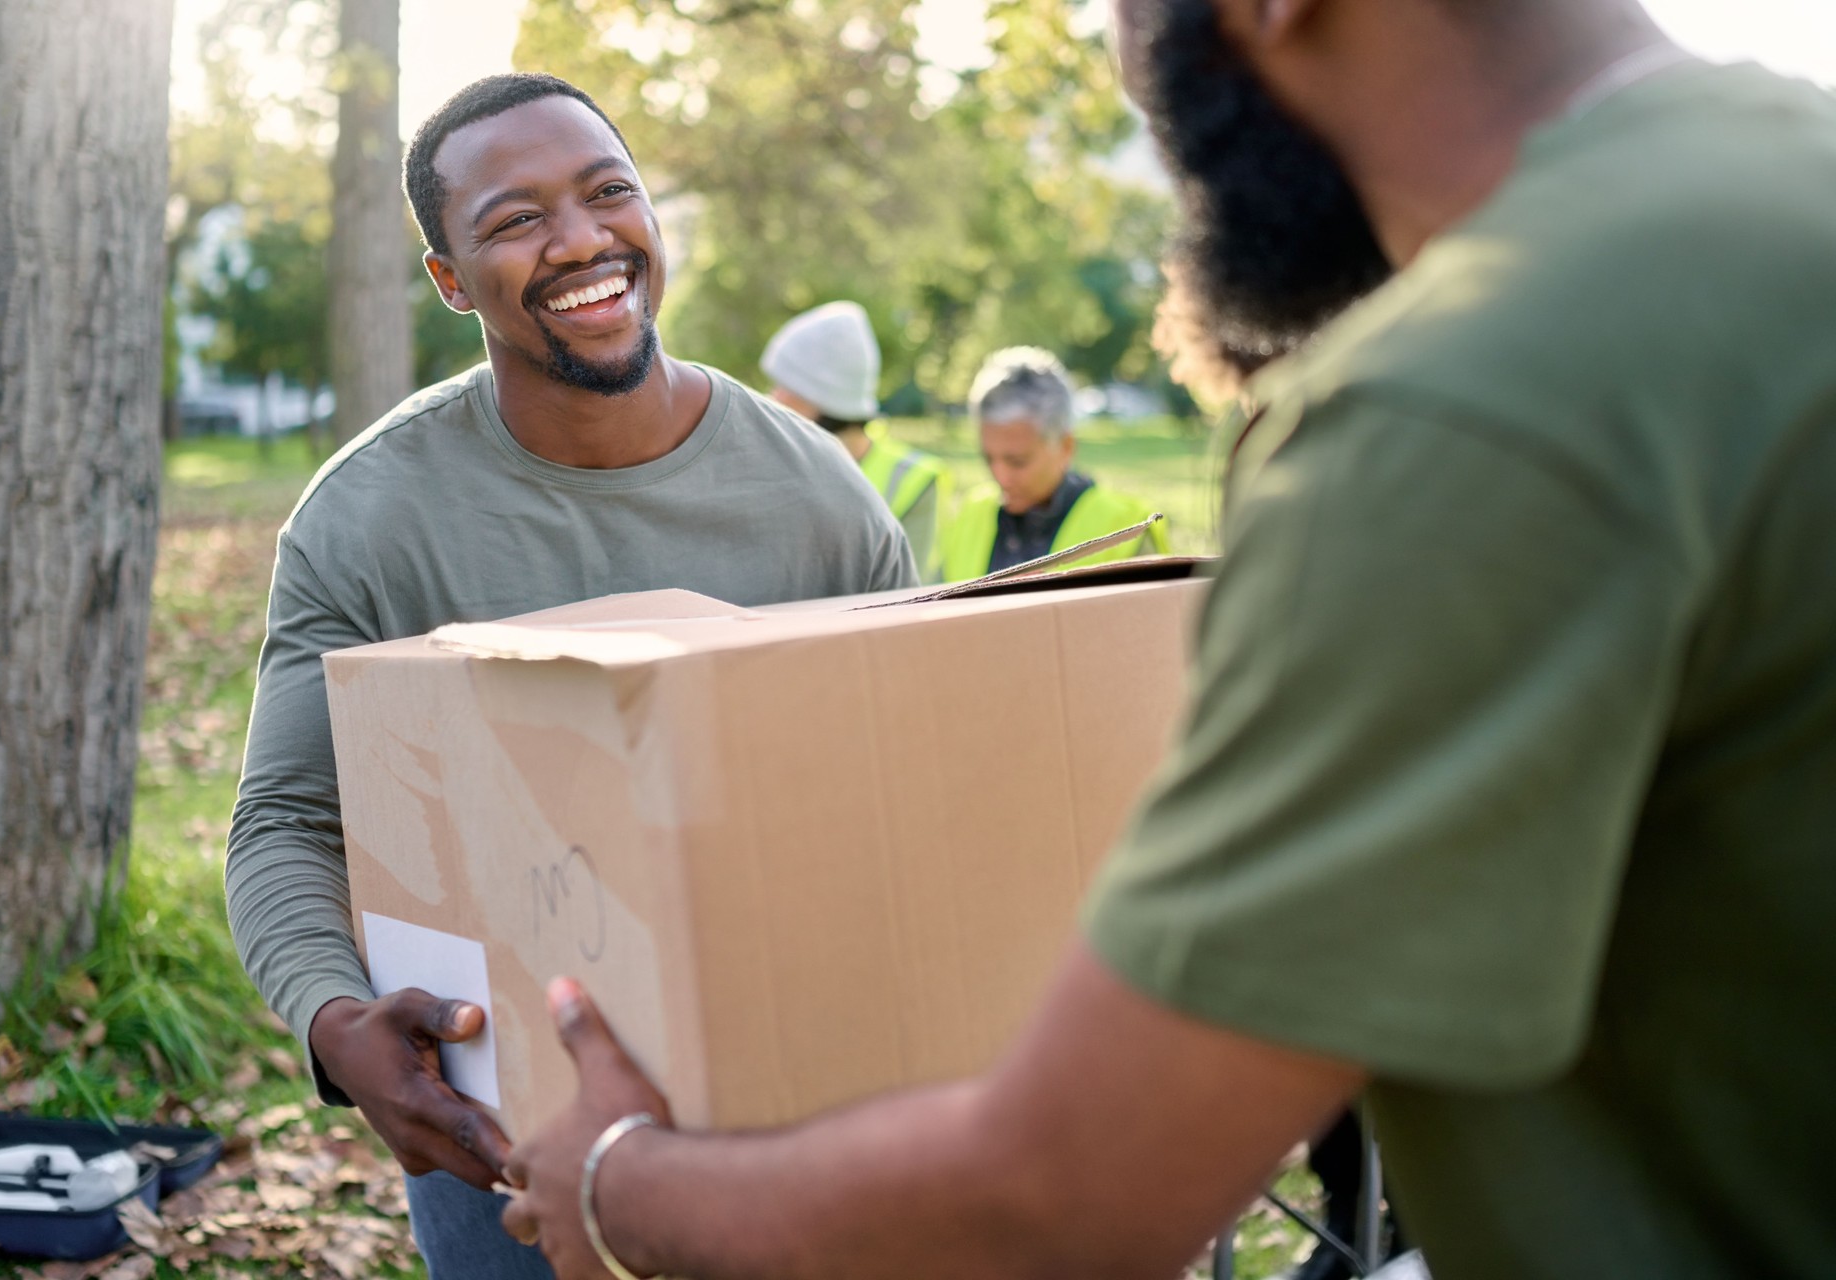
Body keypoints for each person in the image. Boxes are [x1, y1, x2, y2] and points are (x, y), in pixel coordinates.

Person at [494, 0, 1836, 1277]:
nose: (1133, 78)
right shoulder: (1781, 182)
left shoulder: (1469, 404)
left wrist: (617, 1180)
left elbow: (1068, 1204)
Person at [223, 72, 915, 1279]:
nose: (583, 240)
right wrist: (340, 1023)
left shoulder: (818, 503)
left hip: (794, 1106)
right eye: (516, 218)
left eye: (609, 193)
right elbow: (286, 819)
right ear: (449, 281)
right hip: (507, 1121)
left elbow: (915, 785)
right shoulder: (369, 519)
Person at [937, 347, 1169, 582]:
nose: (1000, 476)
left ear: (1065, 447)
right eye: (988, 458)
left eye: (1017, 462)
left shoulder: (1126, 528)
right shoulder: (971, 513)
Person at [760, 301, 949, 580]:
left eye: (784, 388)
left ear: (821, 399)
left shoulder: (914, 482)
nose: (772, 398)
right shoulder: (772, 461)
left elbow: (905, 601)